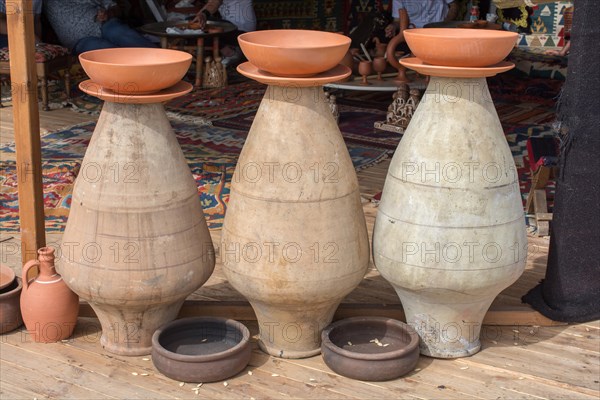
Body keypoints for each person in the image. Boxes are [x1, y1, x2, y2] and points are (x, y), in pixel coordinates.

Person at [44, 0, 157, 55]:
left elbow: (117, 8)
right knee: (109, 52)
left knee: (118, 31)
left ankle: (162, 58)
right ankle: (141, 76)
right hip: (79, 40)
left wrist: (109, 13)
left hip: (105, 26)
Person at [192, 0, 256, 66]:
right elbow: (209, 4)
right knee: (197, 25)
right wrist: (197, 18)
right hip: (231, 27)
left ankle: (230, 52)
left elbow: (215, 2)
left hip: (241, 30)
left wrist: (203, 15)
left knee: (205, 32)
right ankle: (227, 49)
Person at [384, 0, 458, 48]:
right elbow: (398, 20)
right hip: (413, 34)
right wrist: (393, 26)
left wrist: (445, 24)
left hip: (439, 31)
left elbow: (454, 5)